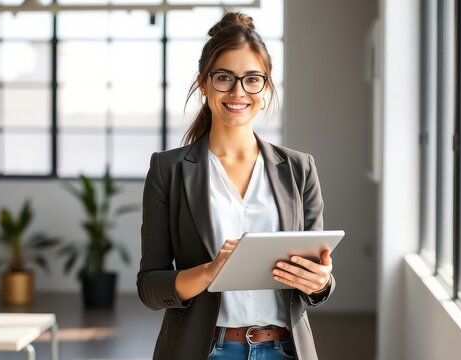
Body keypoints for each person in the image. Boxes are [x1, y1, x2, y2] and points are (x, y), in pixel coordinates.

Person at [137, 11, 335, 360]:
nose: (238, 91)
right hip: (204, 350)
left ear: (266, 85)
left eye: (252, 79)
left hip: (285, 350)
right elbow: (150, 287)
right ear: (204, 83)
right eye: (224, 77)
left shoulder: (299, 169)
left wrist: (320, 283)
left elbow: (315, 280)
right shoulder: (168, 170)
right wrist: (209, 272)